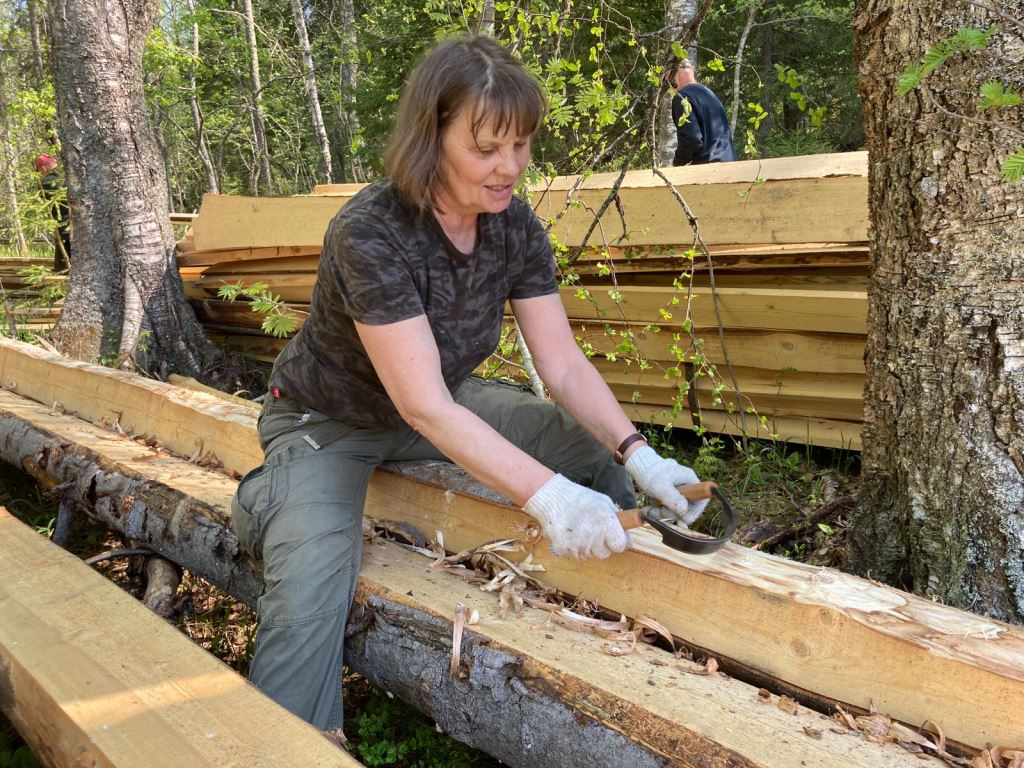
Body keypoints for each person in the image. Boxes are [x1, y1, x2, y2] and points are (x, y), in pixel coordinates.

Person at [231, 34, 709, 734]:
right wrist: (546, 499)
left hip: (439, 401)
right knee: (309, 582)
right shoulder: (372, 232)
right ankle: (291, 738)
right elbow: (419, 403)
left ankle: (609, 599)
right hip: (325, 420)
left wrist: (638, 454)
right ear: (432, 140)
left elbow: (564, 365)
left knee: (574, 448)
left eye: (519, 146)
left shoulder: (511, 225)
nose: (509, 166)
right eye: (486, 149)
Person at [670, 60, 736, 166]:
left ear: (677, 72)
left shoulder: (681, 98)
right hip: (730, 164)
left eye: (668, 77)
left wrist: (677, 164)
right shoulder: (709, 94)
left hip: (708, 170)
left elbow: (691, 140)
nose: (669, 84)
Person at [34, 153, 70, 271]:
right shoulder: (68, 174)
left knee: (64, 249)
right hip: (75, 219)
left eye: (39, 170)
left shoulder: (44, 182)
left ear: (43, 168)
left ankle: (62, 270)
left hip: (62, 222)